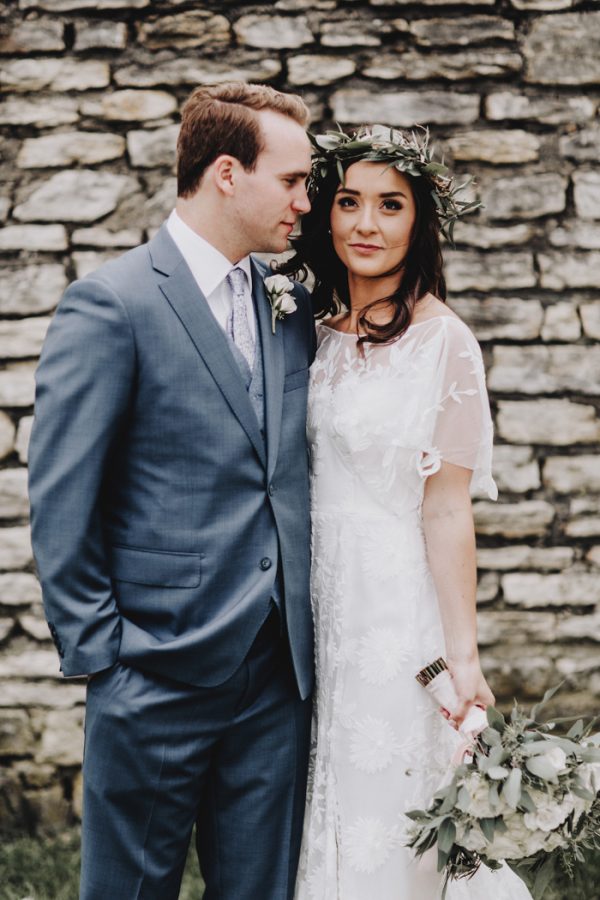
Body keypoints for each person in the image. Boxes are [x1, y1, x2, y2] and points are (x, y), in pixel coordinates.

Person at [28, 82, 315, 900]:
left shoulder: (287, 304)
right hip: (152, 673)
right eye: (292, 181)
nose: (306, 201)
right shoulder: (111, 304)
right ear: (228, 173)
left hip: (273, 679)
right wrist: (106, 659)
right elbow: (61, 495)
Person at [281, 126, 534, 898]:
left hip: (396, 615)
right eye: (349, 202)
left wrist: (463, 656)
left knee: (390, 803)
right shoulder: (309, 337)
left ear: (419, 222)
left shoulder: (445, 343)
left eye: (390, 206)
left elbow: (448, 508)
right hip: (316, 605)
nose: (366, 223)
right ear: (325, 216)